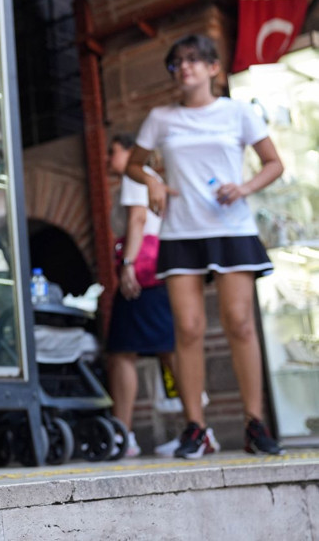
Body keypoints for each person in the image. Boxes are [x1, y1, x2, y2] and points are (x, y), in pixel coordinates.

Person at [126, 34, 284, 459]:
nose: (185, 68)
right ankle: (195, 428)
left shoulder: (239, 113)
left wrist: (245, 186)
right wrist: (155, 182)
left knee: (240, 322)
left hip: (232, 229)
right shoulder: (160, 118)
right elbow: (132, 164)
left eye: (194, 60)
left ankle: (255, 424)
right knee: (189, 329)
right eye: (177, 62)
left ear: (214, 68)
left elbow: (274, 163)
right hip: (181, 232)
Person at [105, 133, 175, 458]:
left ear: (132, 152)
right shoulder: (155, 178)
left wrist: (128, 265)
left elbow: (137, 219)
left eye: (113, 152)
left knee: (122, 351)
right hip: (159, 269)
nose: (108, 159)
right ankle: (196, 426)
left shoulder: (137, 175)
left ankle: (123, 434)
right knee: (167, 347)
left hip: (141, 272)